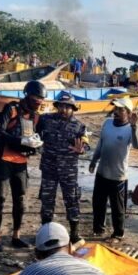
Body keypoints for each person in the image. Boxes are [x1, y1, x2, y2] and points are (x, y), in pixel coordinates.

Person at [0, 80, 45, 251]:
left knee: (19, 200)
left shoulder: (36, 117)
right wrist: (20, 140)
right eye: (36, 98)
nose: (38, 102)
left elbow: (40, 138)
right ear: (27, 96)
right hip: (3, 160)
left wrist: (35, 147)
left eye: (41, 99)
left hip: (21, 163)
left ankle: (16, 236)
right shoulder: (11, 109)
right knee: (0, 199)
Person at [36, 94, 88, 245]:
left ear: (73, 108)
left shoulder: (79, 126)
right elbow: (34, 132)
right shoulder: (46, 120)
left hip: (69, 170)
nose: (64, 110)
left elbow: (85, 144)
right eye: (61, 106)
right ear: (57, 106)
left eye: (67, 107)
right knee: (47, 200)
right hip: (49, 168)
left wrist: (82, 150)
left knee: (72, 199)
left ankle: (74, 233)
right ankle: (46, 233)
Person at [89, 97, 138, 240]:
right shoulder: (107, 123)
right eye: (115, 108)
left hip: (118, 176)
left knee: (118, 208)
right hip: (102, 173)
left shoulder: (130, 129)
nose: (116, 111)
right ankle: (98, 229)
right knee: (98, 203)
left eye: (120, 109)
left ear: (128, 113)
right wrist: (94, 161)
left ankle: (118, 233)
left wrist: (134, 127)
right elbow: (101, 144)